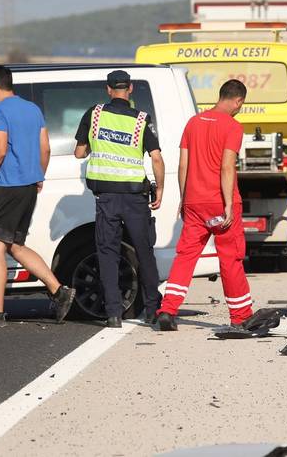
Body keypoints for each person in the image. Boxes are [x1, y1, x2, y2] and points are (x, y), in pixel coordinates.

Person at [0, 65, 76, 327]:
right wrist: (38, 176)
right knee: (14, 245)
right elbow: (45, 149)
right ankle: (59, 291)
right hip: (27, 186)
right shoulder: (32, 109)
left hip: (7, 186)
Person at [155, 79, 253, 331]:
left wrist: (184, 198)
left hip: (195, 201)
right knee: (230, 259)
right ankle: (241, 316)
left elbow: (183, 164)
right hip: (220, 203)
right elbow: (227, 166)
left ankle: (167, 310)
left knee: (186, 256)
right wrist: (229, 203)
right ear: (238, 100)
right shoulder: (232, 127)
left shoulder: (193, 122)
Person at [74, 70, 164, 328]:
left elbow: (79, 153)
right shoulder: (141, 120)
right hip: (135, 198)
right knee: (145, 252)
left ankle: (113, 314)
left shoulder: (95, 114)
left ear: (108, 89)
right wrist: (159, 189)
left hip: (107, 198)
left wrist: (97, 144)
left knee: (107, 254)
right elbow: (156, 157)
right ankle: (151, 310)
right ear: (131, 89)